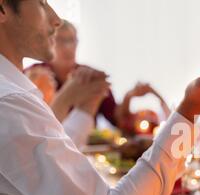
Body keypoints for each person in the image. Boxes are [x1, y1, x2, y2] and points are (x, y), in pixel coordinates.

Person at [0, 0, 200, 195]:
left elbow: (44, 161)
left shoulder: (12, 94)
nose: (56, 19)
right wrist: (188, 112)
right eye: (42, 3)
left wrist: (86, 108)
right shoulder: (9, 104)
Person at [25, 19, 171, 126]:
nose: (68, 47)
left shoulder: (90, 76)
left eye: (72, 40)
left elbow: (116, 119)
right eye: (61, 40)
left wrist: (128, 97)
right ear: (50, 42)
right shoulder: (32, 75)